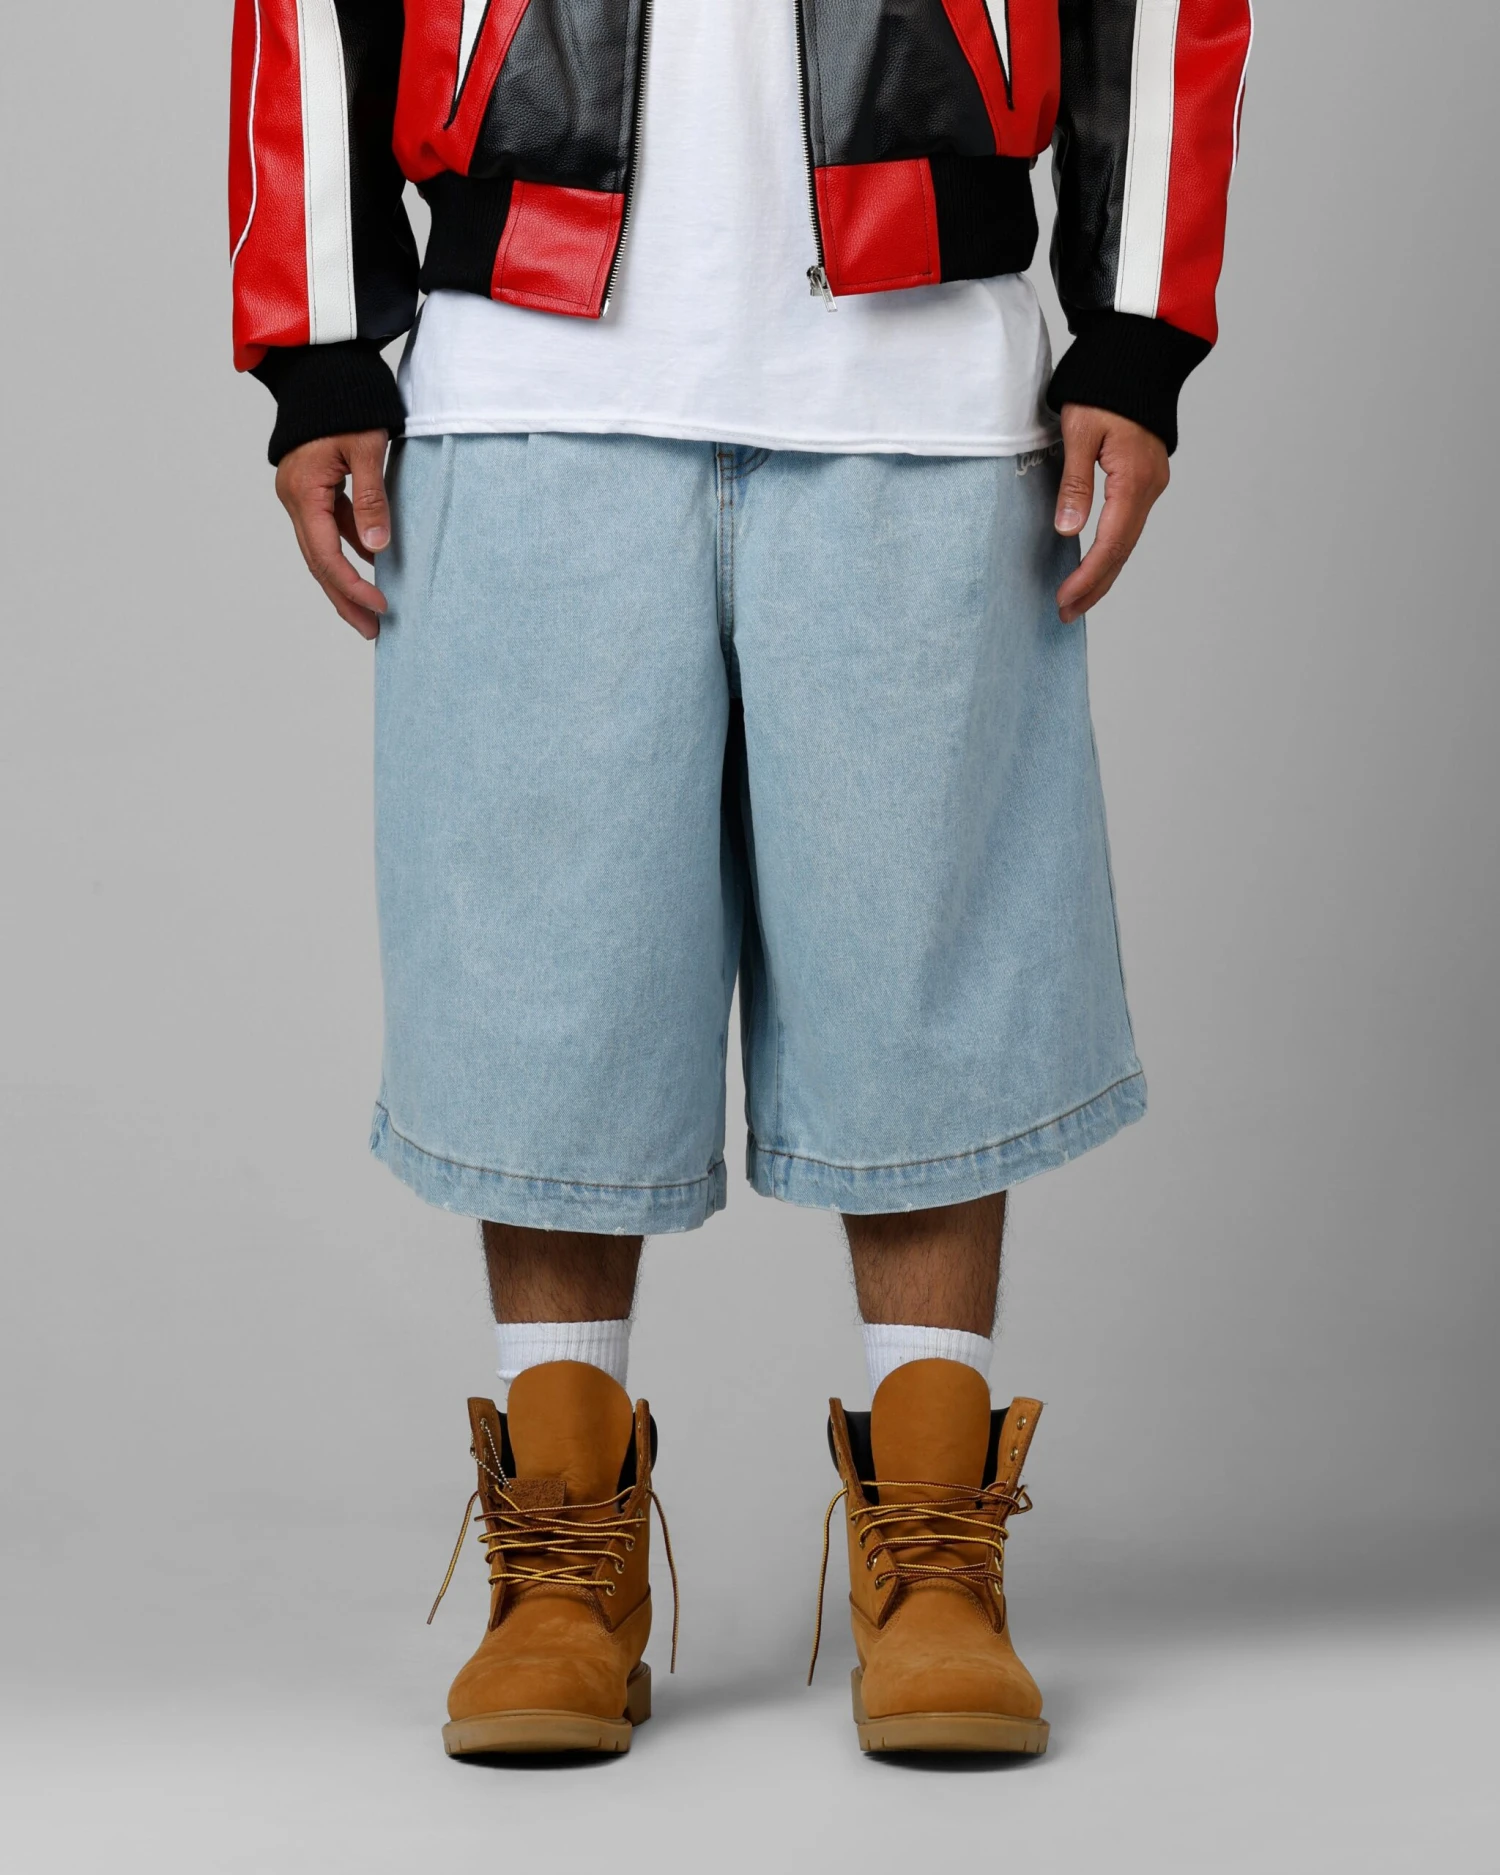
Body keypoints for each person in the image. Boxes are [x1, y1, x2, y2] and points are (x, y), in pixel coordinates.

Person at [229, 0, 1251, 1759]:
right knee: (550, 983)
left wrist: (1138, 325)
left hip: (924, 365)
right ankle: (563, 1565)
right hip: (527, 363)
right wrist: (319, 338)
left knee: (927, 970)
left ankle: (935, 1557)